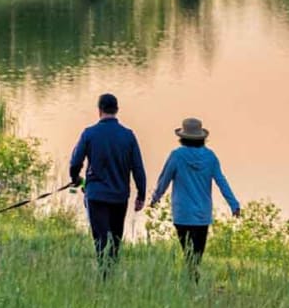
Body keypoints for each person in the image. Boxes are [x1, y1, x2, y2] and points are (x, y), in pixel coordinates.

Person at [150, 117, 240, 280]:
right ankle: (193, 279)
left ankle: (192, 280)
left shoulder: (177, 156)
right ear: (202, 137)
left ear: (182, 137)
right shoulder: (210, 157)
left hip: (182, 214)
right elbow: (221, 181)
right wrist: (234, 204)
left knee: (188, 252)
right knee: (196, 254)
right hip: (202, 215)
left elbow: (164, 179)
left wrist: (155, 198)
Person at [69, 92, 146, 269]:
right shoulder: (128, 136)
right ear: (117, 110)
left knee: (100, 238)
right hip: (119, 196)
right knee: (115, 237)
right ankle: (110, 272)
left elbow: (75, 162)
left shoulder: (89, 134)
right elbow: (138, 168)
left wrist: (76, 179)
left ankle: (104, 274)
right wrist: (141, 194)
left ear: (99, 110)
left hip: (95, 195)